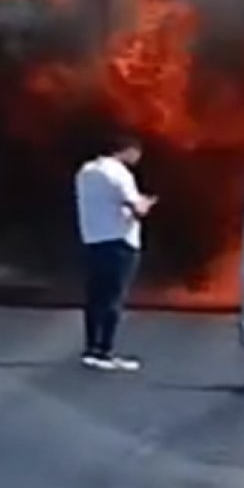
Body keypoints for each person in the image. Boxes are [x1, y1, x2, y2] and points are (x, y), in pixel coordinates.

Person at [74, 133, 157, 371]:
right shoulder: (119, 173)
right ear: (127, 150)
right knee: (113, 298)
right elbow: (137, 208)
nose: (138, 158)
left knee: (95, 297)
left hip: (92, 239)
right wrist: (147, 204)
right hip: (120, 242)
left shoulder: (86, 171)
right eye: (137, 153)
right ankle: (105, 351)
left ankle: (91, 348)